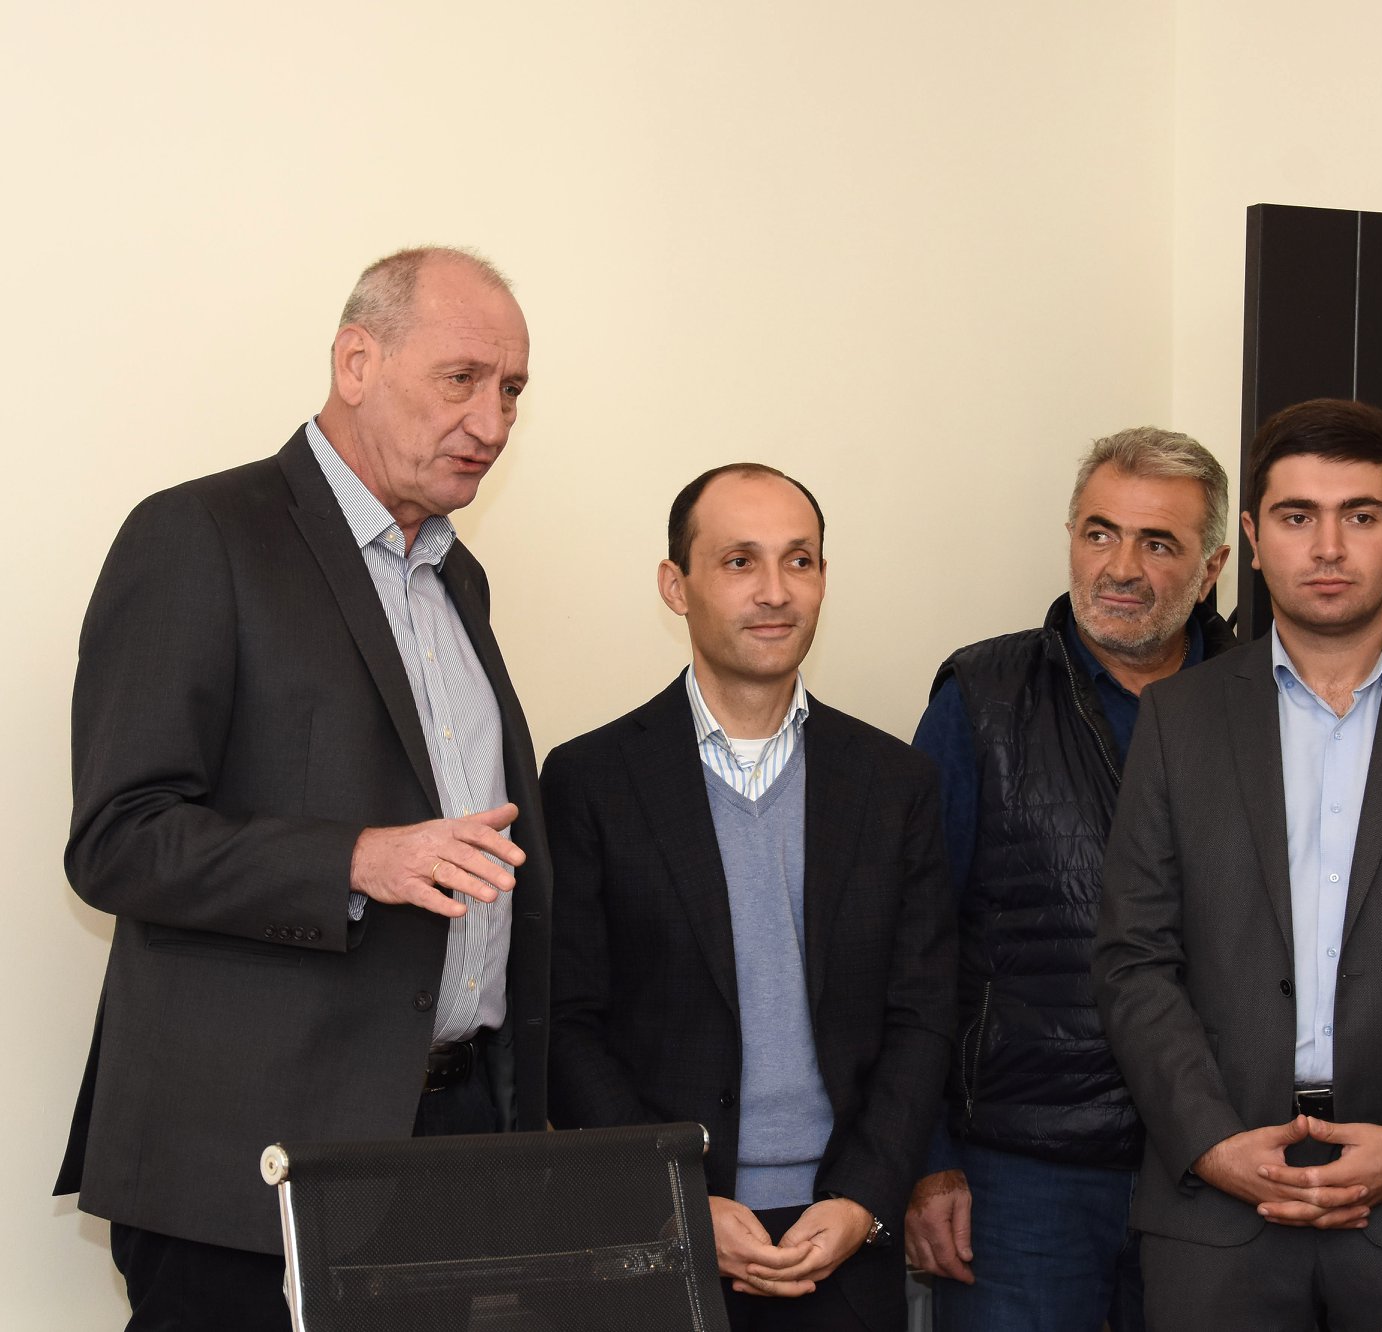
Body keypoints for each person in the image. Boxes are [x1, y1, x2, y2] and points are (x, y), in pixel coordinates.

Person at [55, 246, 551, 1330]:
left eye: (512, 389)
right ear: (356, 362)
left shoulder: (458, 579)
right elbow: (119, 839)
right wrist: (357, 860)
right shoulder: (200, 535)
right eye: (461, 379)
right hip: (248, 1162)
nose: (493, 421)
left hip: (447, 1144)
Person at [1092, 398, 1382, 1331]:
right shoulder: (1180, 719)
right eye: (1296, 516)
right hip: (1218, 1211)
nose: (1327, 547)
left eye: (1359, 515)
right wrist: (1210, 1143)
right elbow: (1132, 960)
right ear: (1251, 538)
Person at [543, 463, 955, 1332]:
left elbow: (923, 1015)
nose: (775, 591)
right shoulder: (591, 781)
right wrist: (675, 1197)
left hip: (844, 1236)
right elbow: (566, 1024)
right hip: (656, 1239)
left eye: (798, 561)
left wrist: (865, 1199)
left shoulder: (895, 784)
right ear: (676, 585)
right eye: (739, 562)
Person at [904, 427, 1235, 1331]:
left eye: (1157, 543)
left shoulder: (1265, 701)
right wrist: (926, 1159)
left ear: (1211, 567)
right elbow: (913, 946)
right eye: (1099, 533)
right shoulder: (981, 698)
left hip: (1214, 1167)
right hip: (1020, 1174)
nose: (1120, 568)